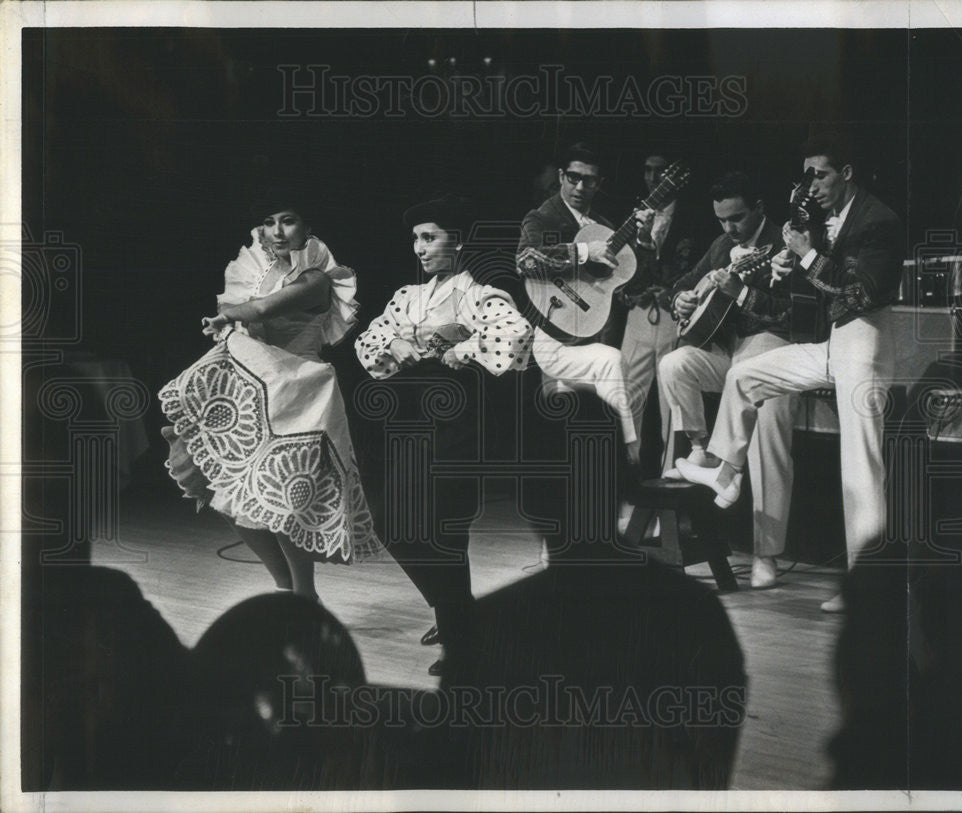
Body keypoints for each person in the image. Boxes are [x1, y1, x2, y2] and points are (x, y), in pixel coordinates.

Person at [677, 134, 902, 611]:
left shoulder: (879, 220)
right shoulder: (825, 222)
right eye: (806, 176)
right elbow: (814, 290)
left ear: (846, 173)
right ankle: (727, 472)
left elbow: (858, 295)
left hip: (865, 347)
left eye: (819, 174)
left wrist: (803, 256)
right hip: (832, 344)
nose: (811, 185)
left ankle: (866, 587)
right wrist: (786, 269)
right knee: (746, 376)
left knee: (861, 470)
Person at [159, 203, 380, 603]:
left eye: (288, 221)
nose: (278, 231)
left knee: (282, 496)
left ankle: (304, 594)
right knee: (220, 484)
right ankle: (284, 587)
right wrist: (231, 315)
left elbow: (261, 309)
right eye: (268, 222)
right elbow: (242, 307)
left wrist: (229, 317)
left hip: (299, 391)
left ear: (307, 228)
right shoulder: (256, 274)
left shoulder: (316, 279)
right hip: (256, 387)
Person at [354, 193, 532, 676]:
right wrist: (393, 341)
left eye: (429, 238)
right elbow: (368, 342)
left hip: (459, 424)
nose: (419, 248)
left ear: (459, 241)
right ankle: (457, 613)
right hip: (409, 425)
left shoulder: (479, 292)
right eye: (415, 239)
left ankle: (460, 637)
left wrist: (465, 349)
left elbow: (515, 334)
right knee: (391, 521)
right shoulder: (407, 297)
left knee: (444, 528)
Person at [658, 171, 793, 589]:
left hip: (775, 347)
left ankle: (767, 554)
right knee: (674, 364)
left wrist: (741, 292)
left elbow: (793, 312)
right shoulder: (722, 245)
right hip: (730, 351)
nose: (728, 228)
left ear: (759, 208)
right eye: (721, 220)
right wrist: (679, 297)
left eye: (736, 218)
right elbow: (682, 284)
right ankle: (701, 450)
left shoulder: (785, 244)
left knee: (768, 439)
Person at [515, 142, 654, 467]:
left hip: (590, 334)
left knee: (607, 397)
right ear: (562, 176)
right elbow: (526, 261)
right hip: (553, 336)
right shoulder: (543, 217)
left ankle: (610, 474)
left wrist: (644, 240)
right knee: (610, 361)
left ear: (599, 183)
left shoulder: (603, 226)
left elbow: (630, 280)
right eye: (574, 177)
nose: (580, 186)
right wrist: (582, 253)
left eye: (588, 180)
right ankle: (627, 456)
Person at [618, 150, 699, 477]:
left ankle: (672, 492)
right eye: (648, 170)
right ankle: (625, 491)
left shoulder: (692, 218)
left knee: (672, 408)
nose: (654, 178)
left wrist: (669, 289)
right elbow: (619, 268)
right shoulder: (631, 216)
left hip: (673, 316)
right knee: (626, 401)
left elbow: (692, 268)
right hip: (638, 312)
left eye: (661, 171)